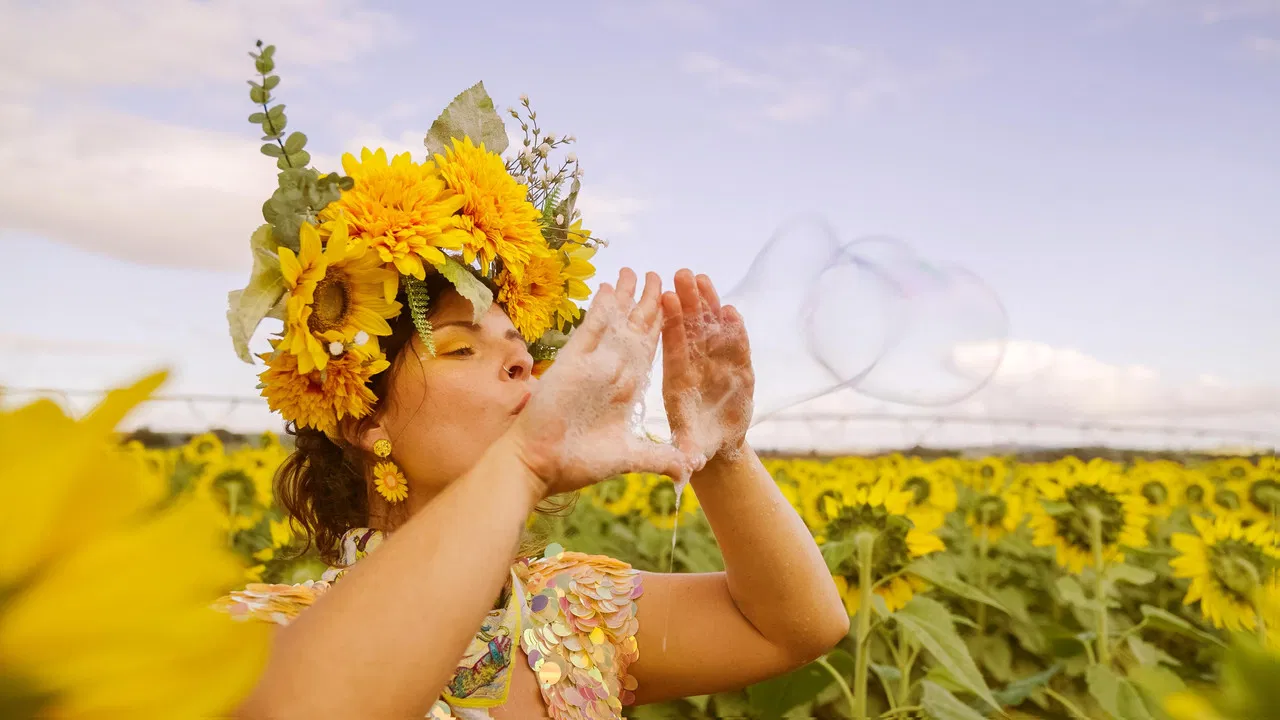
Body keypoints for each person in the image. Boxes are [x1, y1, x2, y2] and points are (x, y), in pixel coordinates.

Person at [216, 63, 848, 719]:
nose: (520, 363)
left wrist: (721, 449)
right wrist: (521, 462)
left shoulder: (569, 612)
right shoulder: (253, 638)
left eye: (520, 346)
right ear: (363, 421)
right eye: (462, 348)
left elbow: (795, 628)